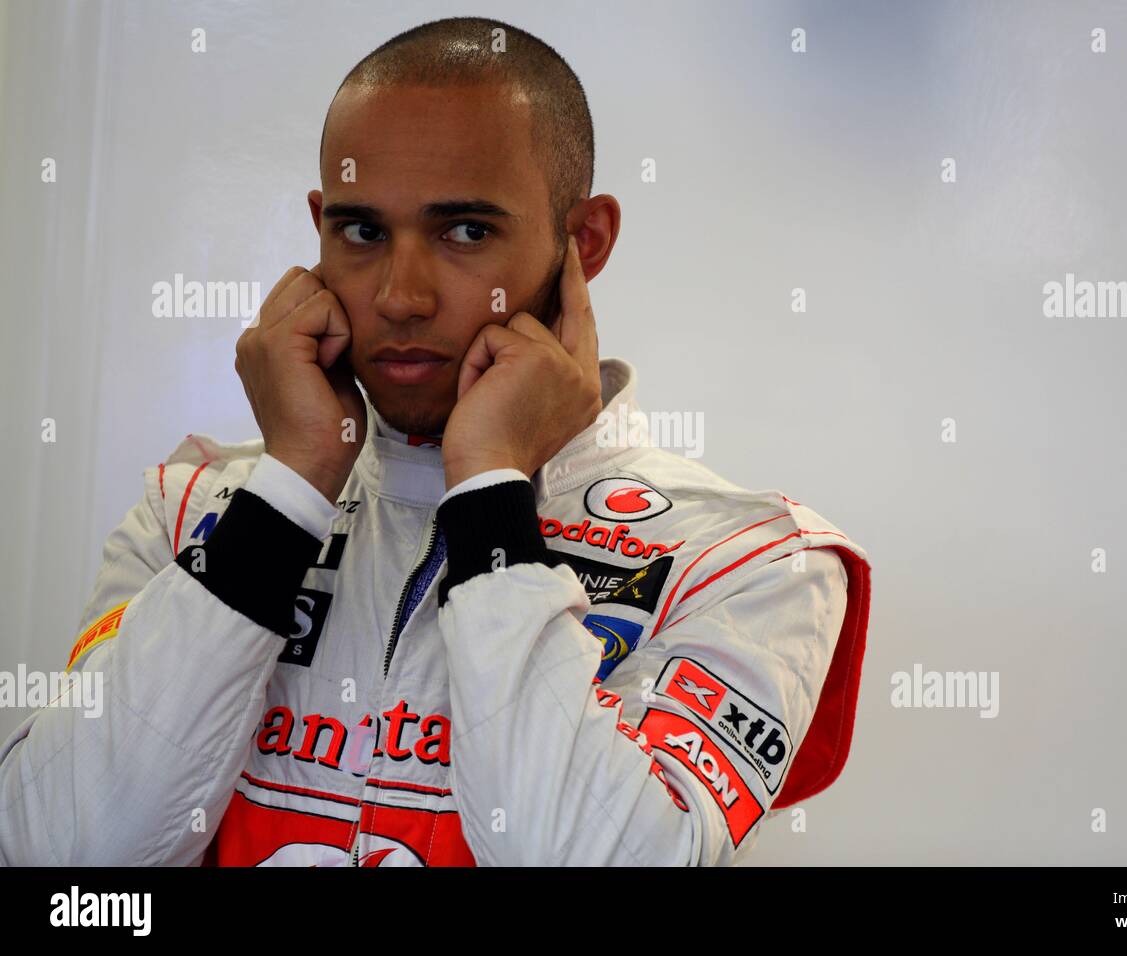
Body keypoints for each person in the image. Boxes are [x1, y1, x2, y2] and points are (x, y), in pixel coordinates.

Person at [0, 16, 871, 866]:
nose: (401, 296)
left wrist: (491, 492)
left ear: (585, 241)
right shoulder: (188, 510)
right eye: (363, 231)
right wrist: (291, 487)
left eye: (466, 231)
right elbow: (60, 856)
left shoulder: (754, 561)